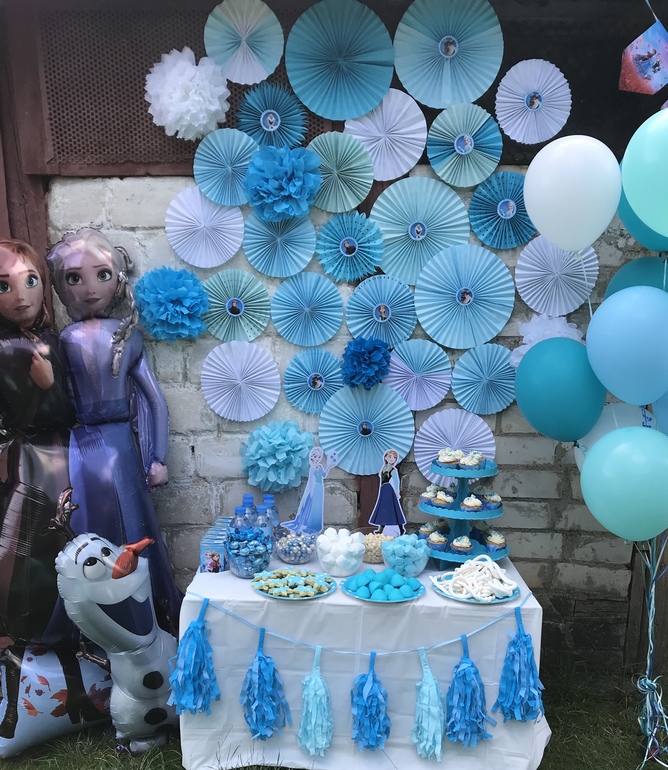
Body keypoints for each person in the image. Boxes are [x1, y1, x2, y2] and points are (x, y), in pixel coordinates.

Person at [47, 229, 182, 635]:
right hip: (81, 446)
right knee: (91, 525)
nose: (89, 289)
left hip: (121, 443)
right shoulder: (64, 340)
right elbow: (57, 397)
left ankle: (146, 613)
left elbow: (154, 400)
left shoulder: (128, 336)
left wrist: (157, 456)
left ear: (119, 279)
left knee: (134, 524)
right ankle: (96, 622)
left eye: (102, 275)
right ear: (60, 286)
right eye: (74, 278)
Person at [281, 447, 338, 535]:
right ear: (312, 457)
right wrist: (311, 492)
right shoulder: (312, 469)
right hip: (314, 488)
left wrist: (329, 466)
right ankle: (310, 525)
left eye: (319, 457)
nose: (317, 459)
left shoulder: (320, 466)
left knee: (318, 507)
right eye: (315, 456)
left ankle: (316, 525)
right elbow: (310, 481)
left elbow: (324, 475)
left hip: (320, 488)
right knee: (312, 506)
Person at [368, 449, 406, 535]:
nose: (392, 459)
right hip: (383, 489)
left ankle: (401, 528)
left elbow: (396, 481)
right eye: (390, 456)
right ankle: (381, 528)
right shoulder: (384, 468)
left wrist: (397, 492)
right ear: (385, 457)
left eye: (394, 457)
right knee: (382, 508)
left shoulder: (393, 470)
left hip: (389, 490)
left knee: (393, 508)